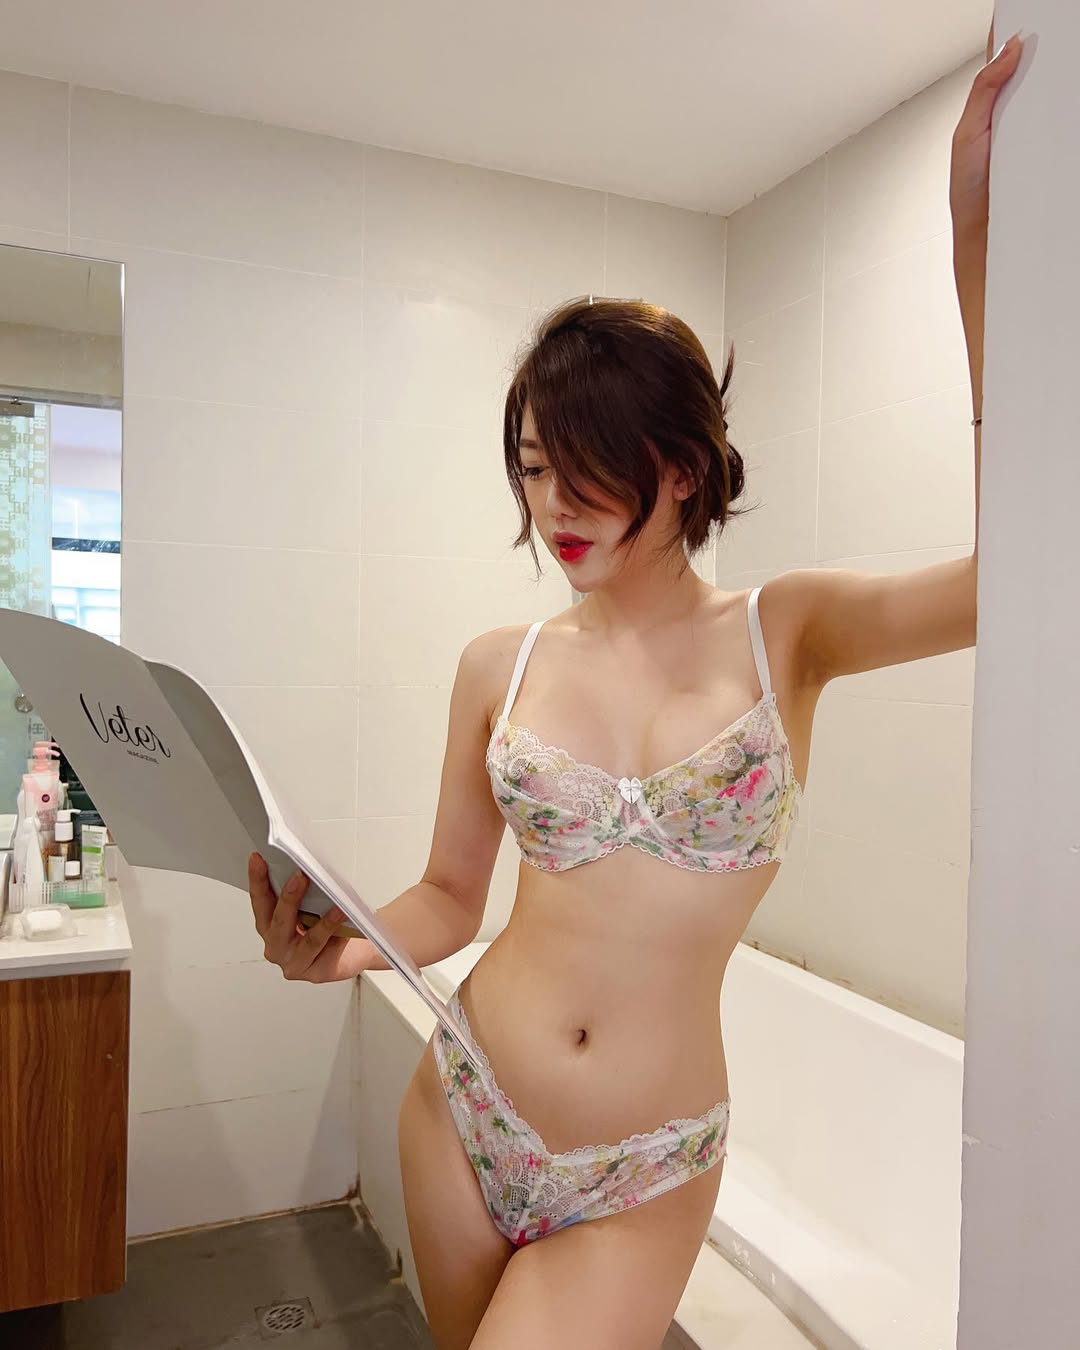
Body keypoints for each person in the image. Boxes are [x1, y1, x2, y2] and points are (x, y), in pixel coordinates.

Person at [248, 28, 1023, 1350]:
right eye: (532, 467)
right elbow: (450, 897)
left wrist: (978, 247)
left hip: (643, 1165)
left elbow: (1020, 574)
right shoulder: (500, 663)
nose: (551, 501)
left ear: (678, 466)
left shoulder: (792, 631)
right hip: (466, 1107)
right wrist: (344, 945)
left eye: (583, 464)